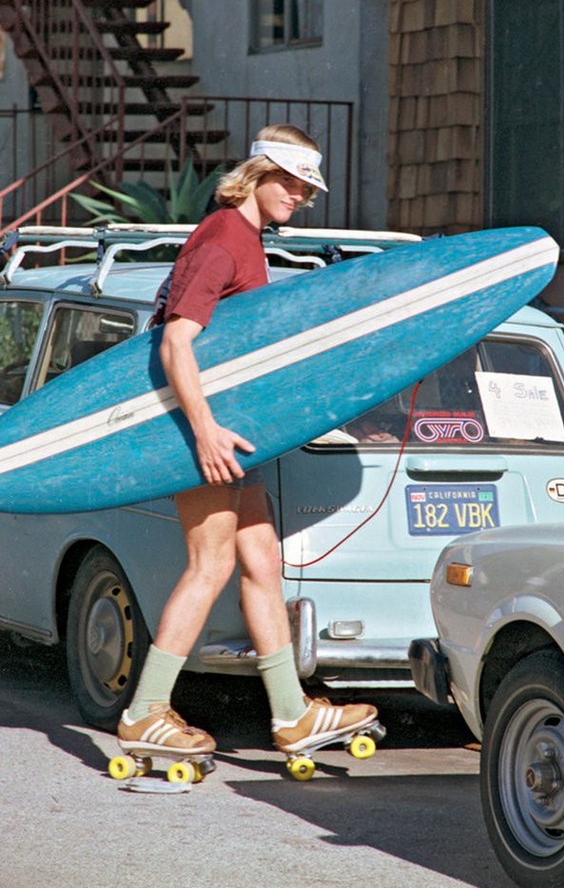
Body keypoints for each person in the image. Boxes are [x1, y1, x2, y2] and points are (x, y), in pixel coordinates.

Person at [117, 124, 378, 762]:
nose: (300, 195)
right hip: (200, 433)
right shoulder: (223, 239)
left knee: (262, 563)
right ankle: (144, 711)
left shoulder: (247, 238)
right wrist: (203, 431)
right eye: (291, 182)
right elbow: (174, 341)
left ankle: (291, 714)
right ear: (260, 174)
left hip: (230, 436)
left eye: (307, 187)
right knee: (210, 566)